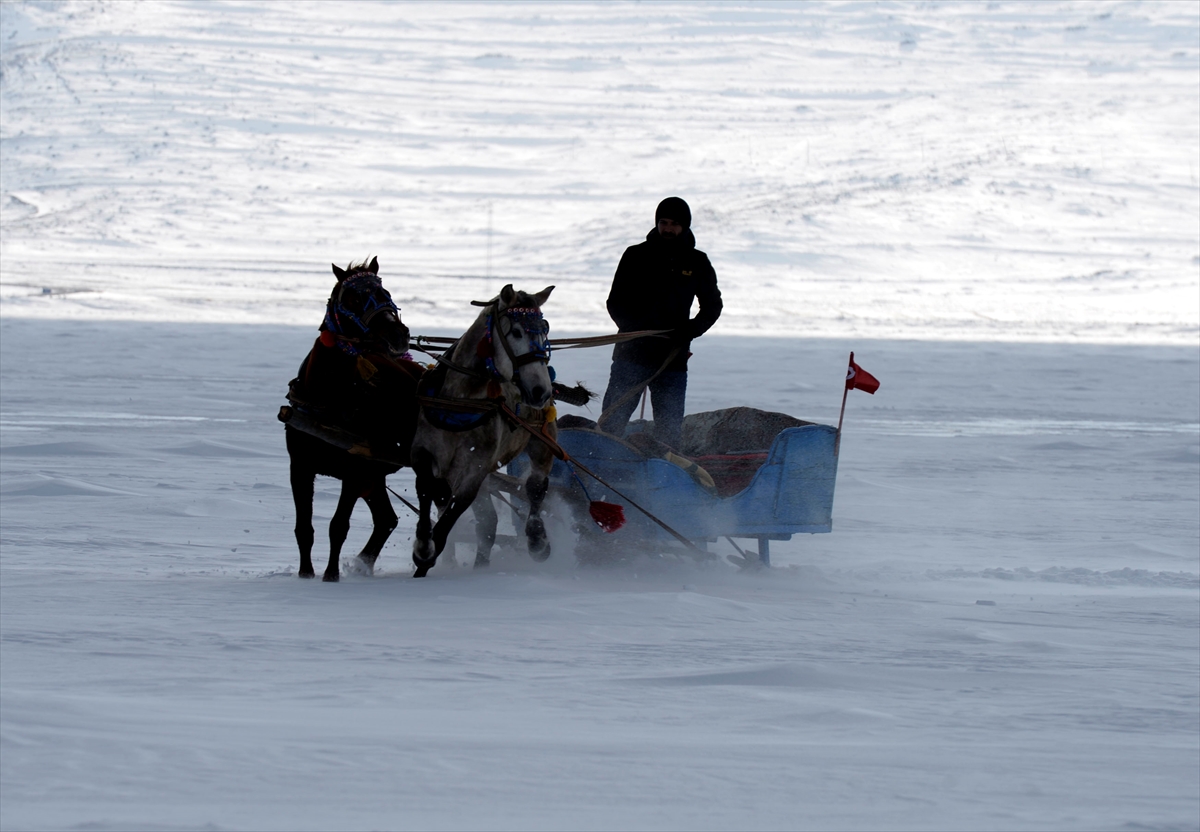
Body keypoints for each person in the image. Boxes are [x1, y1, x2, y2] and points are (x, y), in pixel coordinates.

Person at [597, 196, 722, 450]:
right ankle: (601, 474)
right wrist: (634, 330)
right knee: (612, 422)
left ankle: (660, 486)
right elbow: (615, 302)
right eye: (663, 222)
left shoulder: (698, 262)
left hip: (672, 359)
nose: (667, 228)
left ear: (685, 226)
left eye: (674, 224)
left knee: (669, 431)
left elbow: (712, 306)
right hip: (630, 354)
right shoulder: (635, 255)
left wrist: (690, 330)